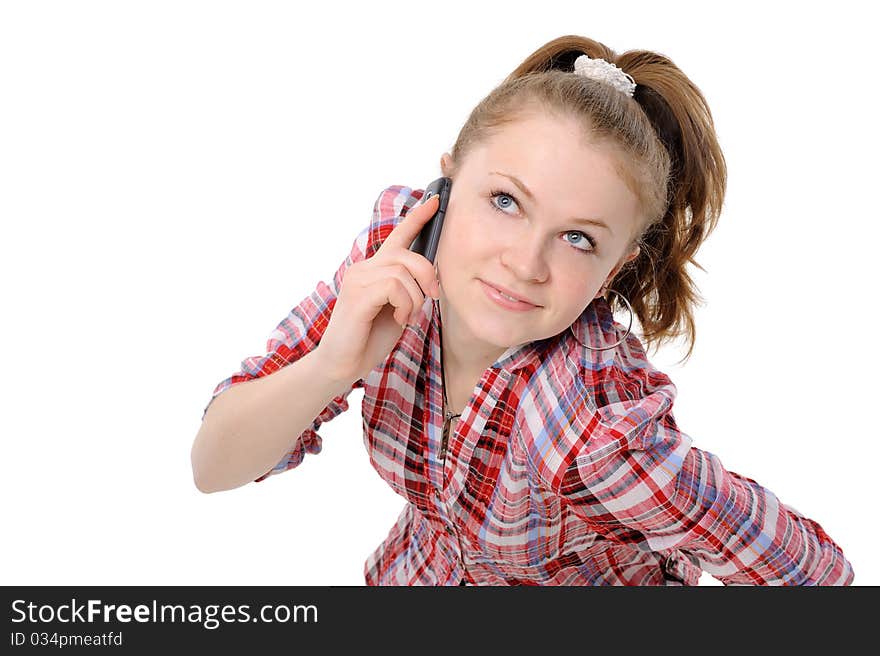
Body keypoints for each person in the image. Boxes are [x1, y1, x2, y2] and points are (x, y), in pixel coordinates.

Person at [191, 35, 854, 585]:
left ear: (611, 272)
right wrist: (332, 367)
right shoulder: (391, 257)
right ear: (445, 187)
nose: (526, 263)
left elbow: (812, 573)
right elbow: (213, 468)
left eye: (578, 239)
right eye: (505, 201)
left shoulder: (593, 428)